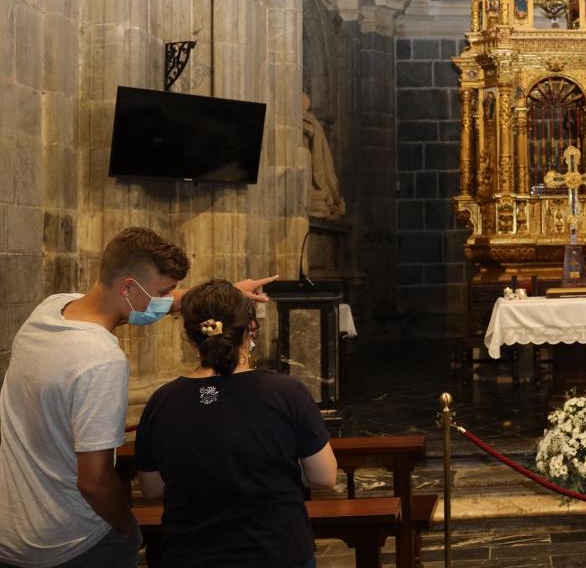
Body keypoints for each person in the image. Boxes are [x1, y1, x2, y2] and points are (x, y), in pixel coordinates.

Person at [0, 227, 276, 568]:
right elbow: (94, 480)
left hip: (13, 526)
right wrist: (127, 526)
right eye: (163, 292)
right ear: (129, 287)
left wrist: (225, 295)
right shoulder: (101, 361)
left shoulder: (52, 309)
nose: (165, 301)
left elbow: (141, 303)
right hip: (71, 540)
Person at [134, 280, 337, 568]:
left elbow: (152, 487)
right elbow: (324, 476)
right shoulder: (286, 392)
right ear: (250, 330)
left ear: (191, 338)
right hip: (275, 549)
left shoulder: (162, 401)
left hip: (190, 553)